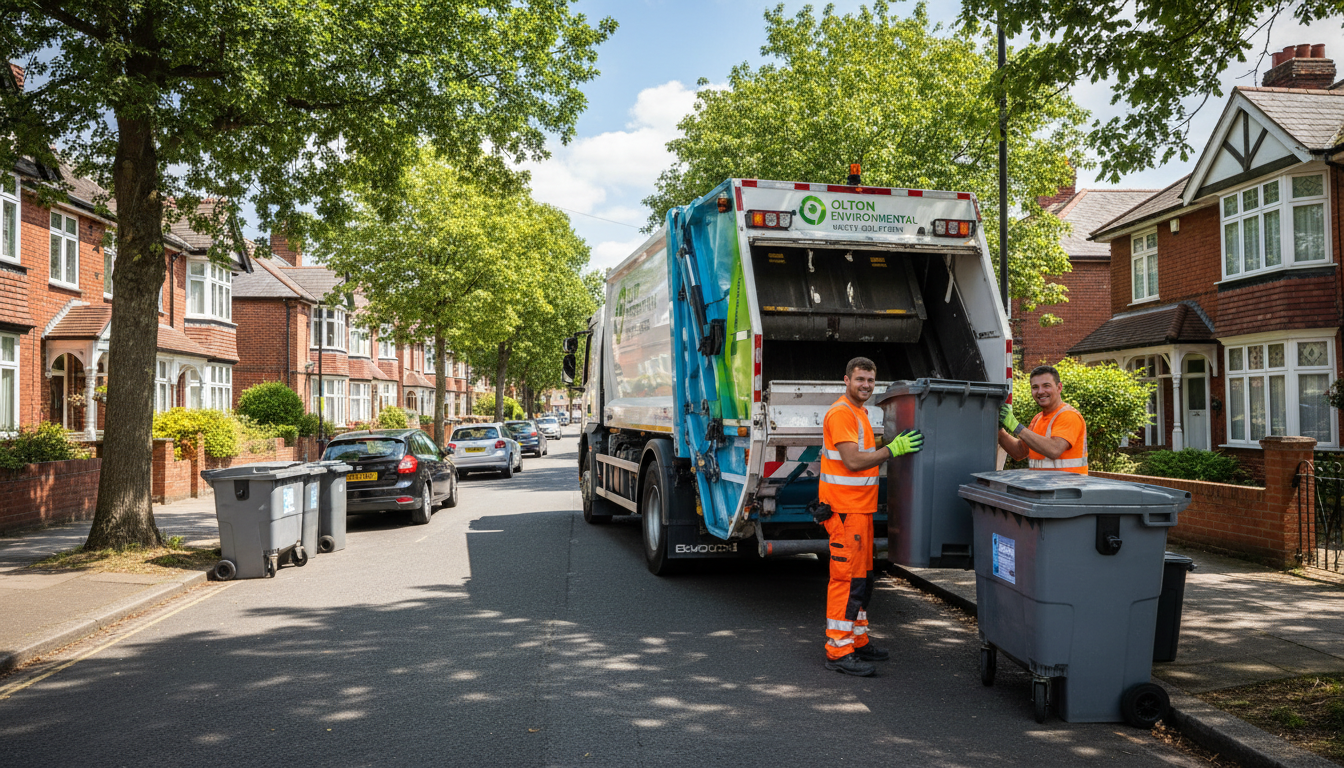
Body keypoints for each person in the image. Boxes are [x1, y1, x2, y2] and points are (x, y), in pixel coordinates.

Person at [818, 357, 923, 677]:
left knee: (862, 580)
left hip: (859, 510)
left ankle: (857, 639)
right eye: (860, 379)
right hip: (845, 512)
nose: (865, 385)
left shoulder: (860, 413)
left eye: (870, 380)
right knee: (846, 581)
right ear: (846, 380)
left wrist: (887, 443)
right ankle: (838, 649)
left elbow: (862, 451)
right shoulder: (841, 413)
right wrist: (892, 450)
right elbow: (852, 461)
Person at [998, 364, 1088, 475]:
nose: (1040, 391)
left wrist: (1016, 426)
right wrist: (997, 430)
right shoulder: (1038, 418)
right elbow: (1019, 452)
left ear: (1059, 387)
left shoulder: (1069, 415)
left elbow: (1054, 450)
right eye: (1035, 387)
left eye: (1046, 386)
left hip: (1068, 485)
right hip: (1043, 484)